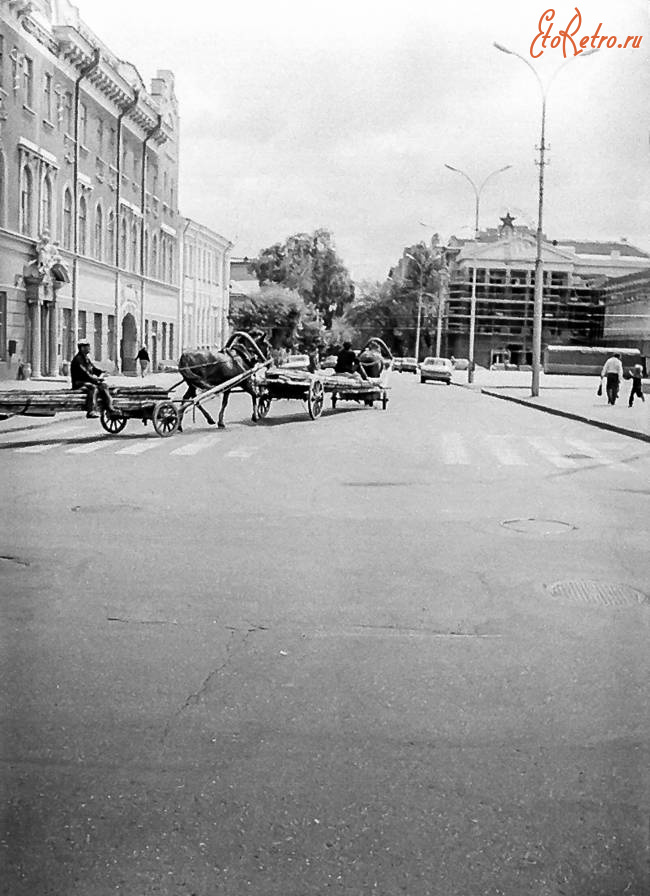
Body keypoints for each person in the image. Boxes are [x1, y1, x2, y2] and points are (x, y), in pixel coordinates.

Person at [71, 340, 116, 418]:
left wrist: (102, 372)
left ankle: (109, 406)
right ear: (82, 348)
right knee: (92, 387)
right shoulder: (78, 360)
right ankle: (91, 410)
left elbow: (93, 369)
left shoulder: (86, 359)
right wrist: (96, 380)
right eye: (87, 347)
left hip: (88, 381)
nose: (89, 348)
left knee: (103, 386)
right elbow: (85, 373)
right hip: (79, 383)